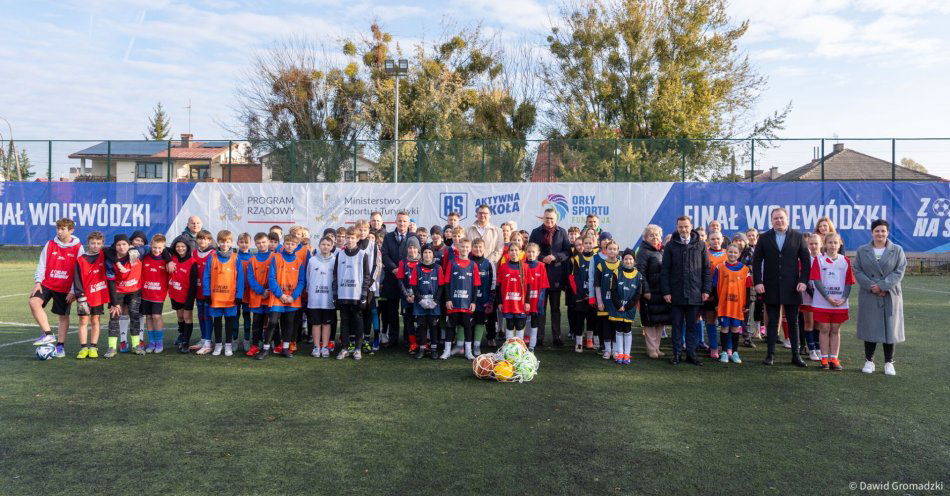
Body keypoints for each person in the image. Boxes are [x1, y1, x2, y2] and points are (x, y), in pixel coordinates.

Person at [752, 207, 811, 367]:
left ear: (787, 219)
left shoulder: (798, 236)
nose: (779, 220)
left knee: (793, 321)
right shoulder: (764, 238)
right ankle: (770, 355)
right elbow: (756, 261)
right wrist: (758, 282)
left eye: (781, 218)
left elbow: (806, 260)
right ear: (771, 220)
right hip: (770, 285)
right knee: (772, 321)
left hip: (793, 286)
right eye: (775, 218)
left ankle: (796, 355)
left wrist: (803, 281)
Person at [852, 219, 906, 376]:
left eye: (883, 231)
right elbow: (857, 269)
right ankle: (869, 361)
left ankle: (889, 362)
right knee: (870, 327)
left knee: (890, 329)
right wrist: (872, 286)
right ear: (872, 232)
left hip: (890, 295)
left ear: (887, 232)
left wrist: (882, 286)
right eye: (877, 231)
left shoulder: (897, 250)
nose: (880, 234)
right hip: (869, 295)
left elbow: (899, 271)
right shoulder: (862, 250)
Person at [660, 216, 710, 366]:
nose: (684, 229)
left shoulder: (700, 245)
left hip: (695, 293)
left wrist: (706, 290)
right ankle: (676, 354)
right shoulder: (670, 246)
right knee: (676, 326)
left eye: (686, 227)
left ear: (691, 226)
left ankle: (691, 354)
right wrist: (666, 292)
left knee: (692, 326)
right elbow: (665, 271)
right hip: (676, 293)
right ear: (677, 227)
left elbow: (706, 270)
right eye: (681, 227)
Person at [30, 218, 83, 353]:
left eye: (62, 229)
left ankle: (60, 346)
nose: (59, 231)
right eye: (58, 228)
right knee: (34, 302)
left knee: (63, 316)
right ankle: (47, 334)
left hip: (65, 288)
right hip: (47, 284)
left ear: (71, 230)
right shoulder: (50, 244)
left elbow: (79, 271)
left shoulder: (78, 247)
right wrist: (38, 282)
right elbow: (42, 264)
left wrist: (73, 290)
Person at [809, 232, 855, 371]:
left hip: (840, 302)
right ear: (825, 244)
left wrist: (843, 298)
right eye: (830, 242)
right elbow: (816, 281)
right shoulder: (819, 260)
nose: (832, 245)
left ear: (839, 244)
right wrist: (828, 298)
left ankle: (834, 358)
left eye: (835, 242)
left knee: (835, 330)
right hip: (823, 302)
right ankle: (824, 359)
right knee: (824, 329)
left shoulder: (845, 260)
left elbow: (848, 282)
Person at [259, 235, 306, 359]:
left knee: (289, 323)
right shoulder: (276, 258)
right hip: (277, 297)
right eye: (288, 243)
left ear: (296, 246)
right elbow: (271, 278)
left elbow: (302, 282)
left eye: (292, 244)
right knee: (273, 322)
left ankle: (285, 349)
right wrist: (281, 295)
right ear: (283, 244)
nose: (290, 246)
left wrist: (293, 297)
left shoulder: (299, 262)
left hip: (292, 299)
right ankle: (265, 349)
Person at [203, 230, 245, 357]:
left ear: (231, 242)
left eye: (227, 242)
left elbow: (240, 279)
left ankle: (228, 345)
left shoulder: (236, 258)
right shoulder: (212, 257)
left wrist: (239, 295)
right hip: (216, 297)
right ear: (218, 242)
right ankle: (218, 345)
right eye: (221, 241)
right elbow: (206, 276)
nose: (224, 244)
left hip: (231, 298)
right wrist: (207, 293)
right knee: (217, 322)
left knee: (229, 322)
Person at [334, 227, 372, 360]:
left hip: (356, 295)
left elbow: (367, 277)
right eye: (348, 237)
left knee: (357, 320)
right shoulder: (340, 254)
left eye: (352, 238)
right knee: (344, 321)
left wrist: (363, 294)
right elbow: (335, 275)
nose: (349, 240)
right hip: (343, 294)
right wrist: (335, 294)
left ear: (357, 239)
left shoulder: (362, 254)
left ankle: (357, 348)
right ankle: (344, 348)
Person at [103, 234, 144, 358]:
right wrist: (114, 302)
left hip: (135, 291)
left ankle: (136, 345)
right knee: (114, 318)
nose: (121, 247)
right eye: (118, 245)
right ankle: (112, 347)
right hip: (118, 292)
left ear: (129, 245)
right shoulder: (110, 261)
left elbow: (157, 248)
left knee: (135, 316)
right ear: (114, 246)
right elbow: (110, 282)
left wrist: (168, 260)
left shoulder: (138, 253)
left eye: (124, 244)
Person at [636, 224, 670, 359]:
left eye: (657, 235)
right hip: (650, 292)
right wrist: (645, 290)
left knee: (660, 321)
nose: (655, 237)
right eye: (651, 235)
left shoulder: (662, 251)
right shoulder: (643, 252)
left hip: (661, 292)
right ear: (645, 238)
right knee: (650, 322)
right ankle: (651, 349)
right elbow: (640, 273)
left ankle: (657, 348)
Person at [381, 211, 414, 347]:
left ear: (408, 223)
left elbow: (415, 255)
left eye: (404, 221)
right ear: (396, 222)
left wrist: (404, 271)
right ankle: (393, 338)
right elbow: (384, 255)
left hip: (408, 280)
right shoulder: (388, 237)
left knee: (407, 311)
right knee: (392, 311)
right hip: (392, 278)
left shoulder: (413, 237)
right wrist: (395, 269)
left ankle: (408, 339)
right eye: (400, 221)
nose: (402, 223)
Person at [72, 231, 108, 359]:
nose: (95, 246)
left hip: (98, 295)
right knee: (83, 320)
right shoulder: (81, 259)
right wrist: (80, 296)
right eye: (93, 243)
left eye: (98, 243)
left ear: (103, 244)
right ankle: (83, 348)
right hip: (84, 296)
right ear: (88, 243)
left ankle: (93, 347)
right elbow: (77, 279)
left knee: (95, 320)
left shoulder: (105, 255)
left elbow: (119, 247)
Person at [713, 244, 751, 364]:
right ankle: (724, 352)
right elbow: (714, 286)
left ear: (739, 254)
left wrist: (748, 304)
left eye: (735, 252)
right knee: (724, 327)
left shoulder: (745, 269)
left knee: (735, 328)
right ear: (726, 252)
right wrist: (716, 303)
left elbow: (748, 288)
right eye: (730, 252)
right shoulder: (719, 267)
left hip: (738, 305)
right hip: (724, 304)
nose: (732, 254)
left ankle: (734, 352)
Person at [606, 249, 644, 365]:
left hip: (629, 308)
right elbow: (613, 291)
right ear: (622, 260)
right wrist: (619, 305)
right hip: (617, 307)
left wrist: (626, 306)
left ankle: (627, 354)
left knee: (627, 329)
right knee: (618, 329)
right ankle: (619, 353)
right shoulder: (617, 272)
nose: (628, 261)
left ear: (634, 260)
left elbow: (638, 294)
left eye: (630, 259)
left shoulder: (638, 275)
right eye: (626, 259)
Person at [410, 245, 445, 359]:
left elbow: (441, 286)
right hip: (420, 304)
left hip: (434, 304)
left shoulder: (438, 268)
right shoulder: (417, 268)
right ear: (422, 254)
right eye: (425, 252)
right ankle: (422, 349)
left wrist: (436, 300)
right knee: (422, 326)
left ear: (433, 254)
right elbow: (414, 286)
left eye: (430, 252)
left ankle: (434, 349)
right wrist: (420, 300)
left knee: (433, 325)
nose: (427, 255)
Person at [306, 236, 336, 358]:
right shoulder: (312, 260)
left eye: (328, 245)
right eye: (323, 244)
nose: (325, 247)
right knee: (316, 323)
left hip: (328, 299)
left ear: (332, 247)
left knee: (326, 324)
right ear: (319, 246)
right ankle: (316, 347)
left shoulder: (335, 260)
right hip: (315, 299)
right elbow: (308, 278)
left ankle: (325, 347)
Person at [140, 234, 171, 353]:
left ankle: (159, 342)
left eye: (159, 248)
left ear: (164, 248)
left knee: (156, 316)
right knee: (148, 317)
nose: (157, 250)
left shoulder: (167, 261)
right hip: (145, 293)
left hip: (159, 294)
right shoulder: (145, 258)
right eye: (154, 247)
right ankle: (151, 342)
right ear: (150, 246)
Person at [246, 233, 274, 358]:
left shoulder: (275, 257)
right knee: (256, 321)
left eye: (263, 242)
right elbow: (250, 278)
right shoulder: (252, 259)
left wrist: (268, 290)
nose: (261, 245)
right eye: (258, 243)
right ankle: (255, 345)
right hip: (257, 296)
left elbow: (276, 276)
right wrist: (261, 291)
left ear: (268, 242)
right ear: (255, 244)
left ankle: (272, 343)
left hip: (271, 295)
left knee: (271, 322)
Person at [168, 238, 198, 353]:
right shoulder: (173, 258)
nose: (180, 249)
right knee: (180, 316)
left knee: (187, 317)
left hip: (187, 296)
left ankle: (186, 342)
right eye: (178, 247)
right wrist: (169, 261)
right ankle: (181, 335)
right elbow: (164, 250)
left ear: (187, 248)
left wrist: (190, 299)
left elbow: (193, 283)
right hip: (175, 294)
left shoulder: (192, 262)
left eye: (183, 246)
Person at [594, 240, 622, 360]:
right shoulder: (601, 265)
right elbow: (597, 285)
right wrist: (599, 301)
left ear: (617, 251)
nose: (612, 251)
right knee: (605, 325)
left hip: (617, 302)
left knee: (616, 325)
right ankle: (607, 350)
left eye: (614, 249)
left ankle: (615, 350)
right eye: (609, 248)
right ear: (605, 250)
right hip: (604, 302)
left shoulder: (621, 265)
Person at [568, 236, 595, 353]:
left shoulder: (597, 258)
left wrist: (592, 293)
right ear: (583, 245)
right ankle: (579, 343)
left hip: (593, 295)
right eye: (586, 243)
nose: (588, 245)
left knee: (592, 318)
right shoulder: (577, 259)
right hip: (580, 296)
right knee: (579, 319)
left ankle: (589, 340)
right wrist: (579, 293)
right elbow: (573, 278)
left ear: (593, 244)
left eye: (590, 243)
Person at [497, 242, 529, 340]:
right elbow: (499, 286)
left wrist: (527, 302)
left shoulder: (525, 267)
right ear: (508, 252)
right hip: (508, 303)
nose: (514, 252)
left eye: (516, 250)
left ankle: (520, 348)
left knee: (520, 325)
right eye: (511, 250)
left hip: (520, 303)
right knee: (509, 325)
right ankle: (508, 347)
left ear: (520, 252)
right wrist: (499, 302)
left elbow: (529, 285)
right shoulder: (503, 267)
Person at [703, 231, 727, 359]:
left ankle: (727, 348)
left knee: (725, 322)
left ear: (722, 239)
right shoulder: (705, 253)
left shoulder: (728, 253)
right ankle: (713, 347)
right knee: (710, 320)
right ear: (708, 240)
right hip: (710, 293)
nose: (715, 241)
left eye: (718, 238)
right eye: (713, 239)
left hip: (725, 294)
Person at [469, 238, 495, 355]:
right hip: (468, 300)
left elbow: (493, 283)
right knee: (468, 322)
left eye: (480, 247)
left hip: (483, 300)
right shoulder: (467, 262)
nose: (478, 249)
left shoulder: (489, 263)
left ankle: (476, 346)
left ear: (484, 248)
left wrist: (490, 300)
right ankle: (467, 345)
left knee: (480, 322)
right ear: (471, 248)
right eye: (475, 247)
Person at [191, 230, 215, 354]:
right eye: (200, 238)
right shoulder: (194, 253)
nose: (202, 241)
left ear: (210, 241)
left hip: (208, 291)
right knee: (200, 315)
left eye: (205, 239)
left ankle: (208, 342)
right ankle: (203, 339)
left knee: (207, 315)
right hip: (197, 289)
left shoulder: (213, 253)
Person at [396, 237, 422, 353]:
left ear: (418, 249)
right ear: (407, 249)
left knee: (422, 321)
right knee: (409, 321)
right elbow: (400, 281)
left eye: (415, 248)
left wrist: (417, 296)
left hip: (419, 297)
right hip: (407, 298)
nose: (412, 250)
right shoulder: (403, 262)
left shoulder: (422, 262)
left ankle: (423, 343)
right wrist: (407, 296)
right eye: (410, 248)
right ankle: (412, 344)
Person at [523, 242, 549, 352]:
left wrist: (540, 302)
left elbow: (544, 286)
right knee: (523, 321)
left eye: (533, 252)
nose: (531, 254)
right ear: (525, 252)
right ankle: (522, 343)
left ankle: (532, 346)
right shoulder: (521, 265)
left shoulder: (541, 266)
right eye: (529, 251)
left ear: (538, 253)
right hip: (524, 300)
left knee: (534, 321)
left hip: (536, 300)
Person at [801, 233, 822, 361]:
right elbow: (803, 277)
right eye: (811, 244)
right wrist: (811, 292)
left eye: (816, 244)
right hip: (808, 296)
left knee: (818, 324)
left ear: (821, 244)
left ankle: (818, 347)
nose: (814, 246)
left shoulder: (824, 259)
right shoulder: (805, 259)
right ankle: (811, 349)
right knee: (809, 322)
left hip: (821, 296)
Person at [235, 232, 253, 350]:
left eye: (246, 242)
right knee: (235, 317)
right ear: (237, 243)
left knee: (247, 317)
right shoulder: (234, 257)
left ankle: (247, 340)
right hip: (236, 293)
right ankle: (234, 339)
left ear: (250, 244)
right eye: (241, 242)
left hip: (248, 294)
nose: (244, 244)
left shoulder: (253, 258)